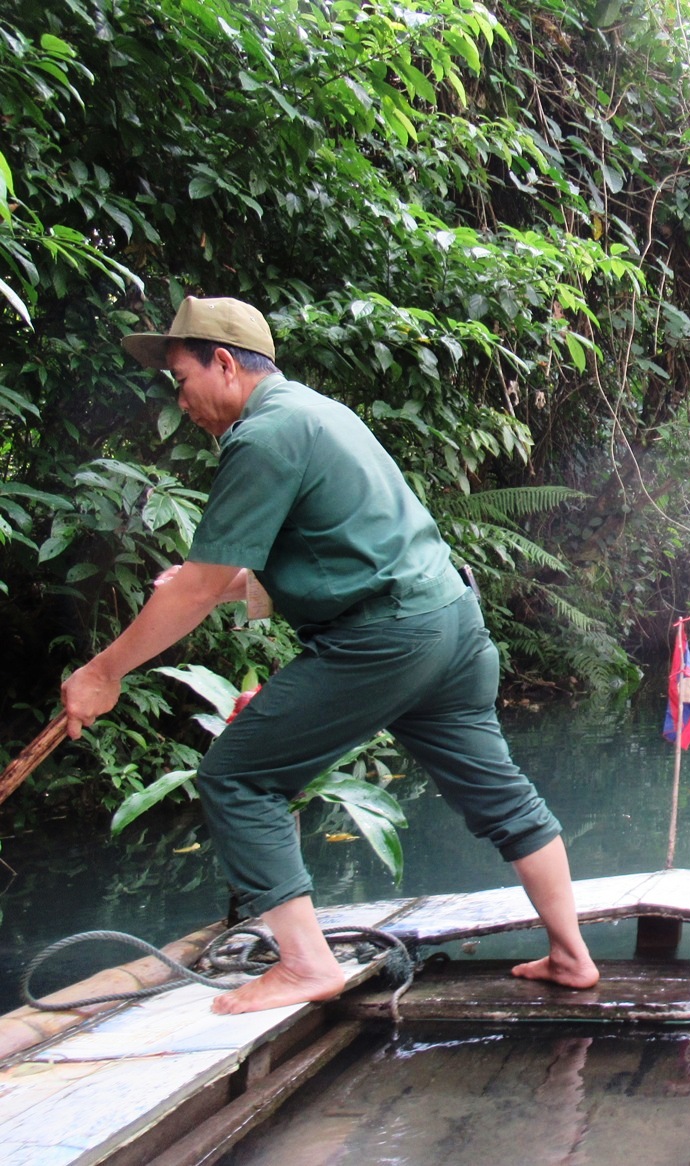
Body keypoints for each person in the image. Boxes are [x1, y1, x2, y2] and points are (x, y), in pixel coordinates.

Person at [61, 296, 598, 1014]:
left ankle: (305, 963)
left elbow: (200, 583)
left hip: (387, 637)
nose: (179, 399)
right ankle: (572, 955)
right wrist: (213, 586)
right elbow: (329, 551)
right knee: (500, 795)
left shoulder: (264, 435)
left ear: (224, 363)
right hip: (450, 623)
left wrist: (103, 672)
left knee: (236, 777)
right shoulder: (318, 412)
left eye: (180, 378)